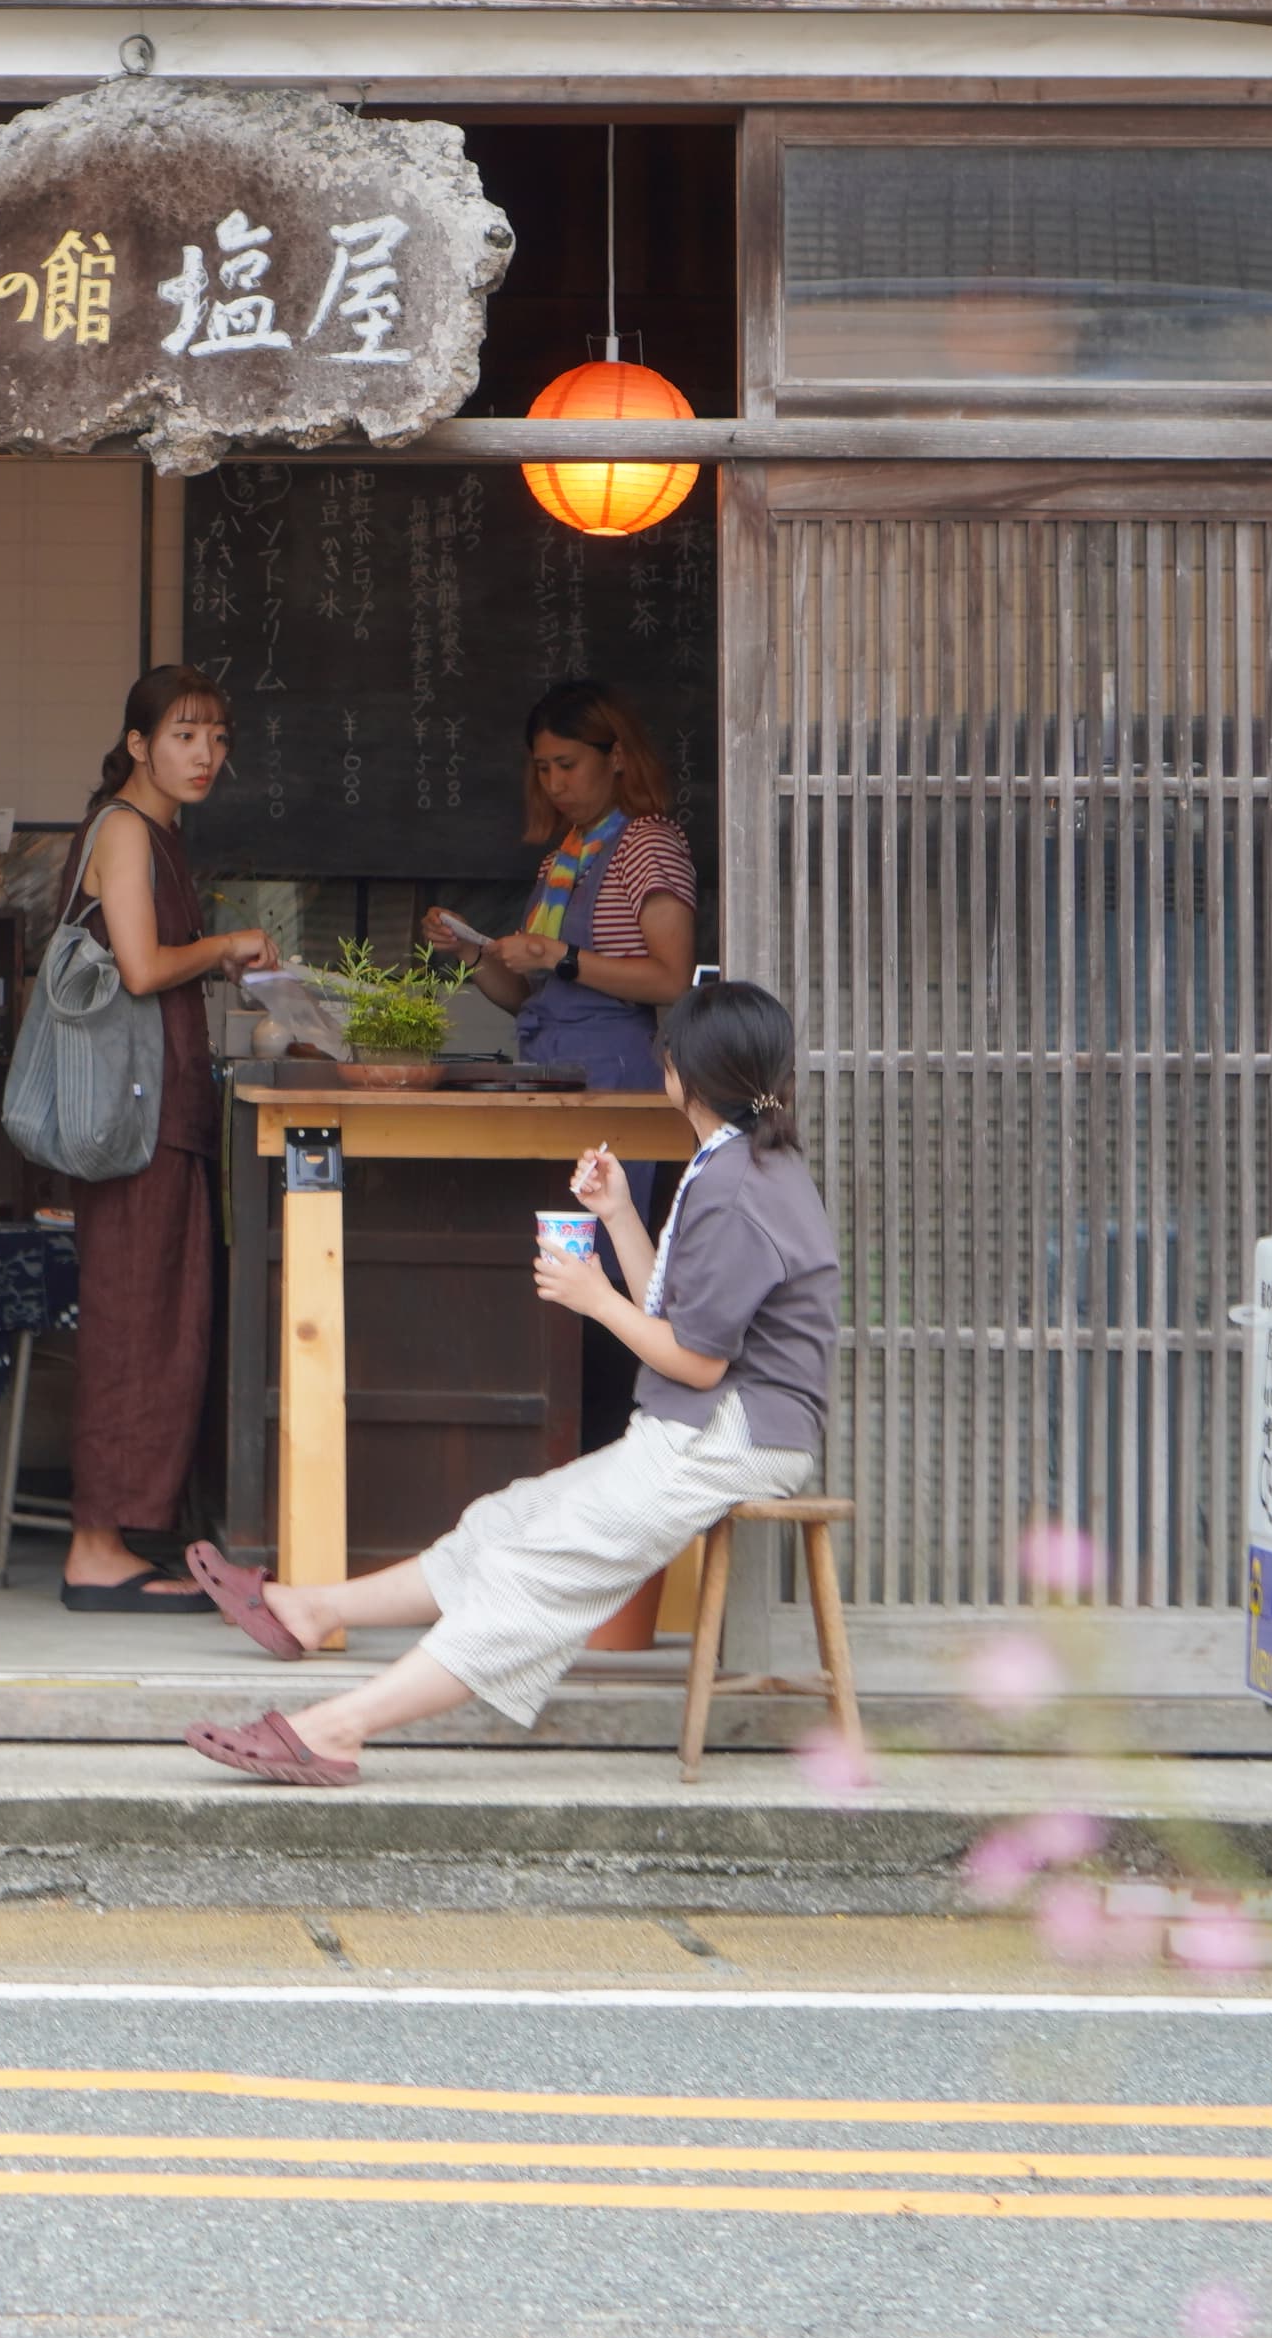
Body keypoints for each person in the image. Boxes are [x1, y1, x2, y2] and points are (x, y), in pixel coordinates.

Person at [175, 978, 839, 1783]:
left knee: (539, 1568)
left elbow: (695, 1359)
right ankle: (313, 1609)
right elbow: (673, 1315)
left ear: (681, 1074)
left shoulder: (737, 1187)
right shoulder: (736, 1165)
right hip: (711, 1424)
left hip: (731, 1430)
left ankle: (338, 1728)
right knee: (507, 1521)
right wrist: (621, 1216)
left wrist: (592, 1299)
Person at [52, 664, 279, 1610]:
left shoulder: (157, 836)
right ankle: (96, 1547)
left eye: (219, 738)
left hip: (161, 1112)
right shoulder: (124, 829)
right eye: (186, 735)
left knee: (162, 1323)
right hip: (135, 1120)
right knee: (133, 1322)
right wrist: (226, 947)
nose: (207, 755)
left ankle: (124, 1535)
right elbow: (142, 969)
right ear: (140, 745)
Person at [424, 678, 700, 1445]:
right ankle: (559, 1436)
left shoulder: (651, 843)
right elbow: (523, 996)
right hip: (550, 1061)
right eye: (542, 768)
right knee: (559, 1257)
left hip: (614, 1068)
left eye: (569, 763)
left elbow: (671, 978)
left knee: (606, 1260)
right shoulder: (563, 856)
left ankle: (616, 1433)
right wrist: (474, 953)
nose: (555, 782)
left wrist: (565, 957)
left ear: (618, 759)